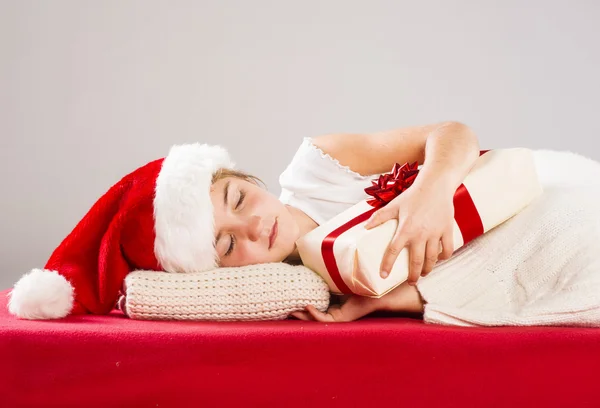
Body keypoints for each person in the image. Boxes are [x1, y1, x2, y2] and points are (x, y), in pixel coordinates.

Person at [8, 121, 600, 326]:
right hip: (496, 257)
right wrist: (389, 301)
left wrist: (431, 191)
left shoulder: (316, 164)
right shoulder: (303, 280)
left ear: (246, 176)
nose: (252, 229)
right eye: (225, 245)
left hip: (524, 190)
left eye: (238, 200)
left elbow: (451, 134)